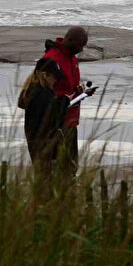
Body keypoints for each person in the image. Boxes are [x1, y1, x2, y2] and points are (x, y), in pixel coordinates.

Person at [41, 26, 94, 172]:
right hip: (55, 122)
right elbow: (42, 93)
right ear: (69, 40)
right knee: (57, 167)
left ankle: (68, 192)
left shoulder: (73, 59)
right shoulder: (52, 59)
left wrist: (80, 91)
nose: (81, 49)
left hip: (71, 119)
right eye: (80, 44)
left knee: (71, 165)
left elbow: (68, 86)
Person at [18, 57, 70, 169]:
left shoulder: (31, 91)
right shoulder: (43, 94)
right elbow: (55, 119)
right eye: (54, 77)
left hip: (35, 144)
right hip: (46, 145)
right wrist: (65, 101)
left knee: (41, 175)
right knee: (49, 176)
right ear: (45, 75)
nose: (56, 81)